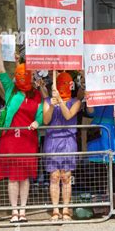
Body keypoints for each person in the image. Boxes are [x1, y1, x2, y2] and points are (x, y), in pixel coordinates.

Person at [0, 38, 43, 223]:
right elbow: (1, 72)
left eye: (25, 75)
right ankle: (14, 212)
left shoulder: (36, 94)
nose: (21, 78)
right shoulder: (10, 90)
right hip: (10, 140)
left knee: (25, 177)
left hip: (28, 139)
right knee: (13, 177)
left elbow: (40, 114)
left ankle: (23, 211)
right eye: (19, 75)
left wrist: (38, 123)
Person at [43, 72, 81, 221]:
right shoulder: (47, 101)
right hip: (52, 140)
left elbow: (68, 115)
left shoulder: (76, 101)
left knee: (66, 176)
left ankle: (65, 209)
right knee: (54, 176)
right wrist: (52, 105)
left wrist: (61, 101)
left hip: (68, 140)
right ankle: (55, 209)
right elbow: (46, 120)